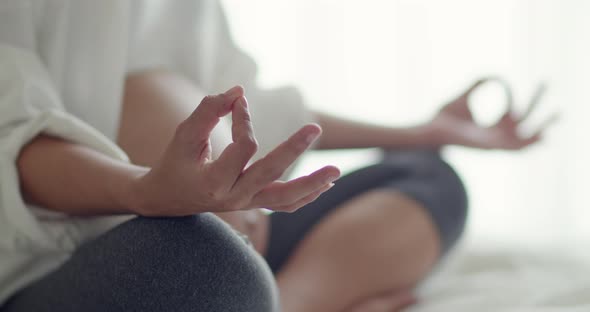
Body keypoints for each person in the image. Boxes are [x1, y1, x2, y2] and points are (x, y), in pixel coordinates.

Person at [0, 1, 552, 311]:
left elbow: (262, 112)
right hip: (67, 254)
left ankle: (282, 303)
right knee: (205, 266)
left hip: (223, 222)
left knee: (430, 179)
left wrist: (423, 131)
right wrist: (143, 192)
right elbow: (15, 142)